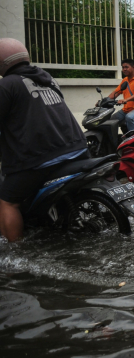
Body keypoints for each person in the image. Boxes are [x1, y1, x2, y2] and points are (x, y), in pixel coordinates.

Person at [0, 38, 89, 242]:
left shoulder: (7, 85)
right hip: (77, 149)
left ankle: (16, 253)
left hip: (41, 158)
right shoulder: (47, 77)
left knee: (7, 201)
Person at [107, 58, 134, 132]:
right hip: (125, 110)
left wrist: (126, 99)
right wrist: (105, 101)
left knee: (130, 117)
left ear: (133, 67)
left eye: (126, 67)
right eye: (123, 67)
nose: (124, 69)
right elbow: (116, 92)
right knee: (111, 120)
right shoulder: (125, 80)